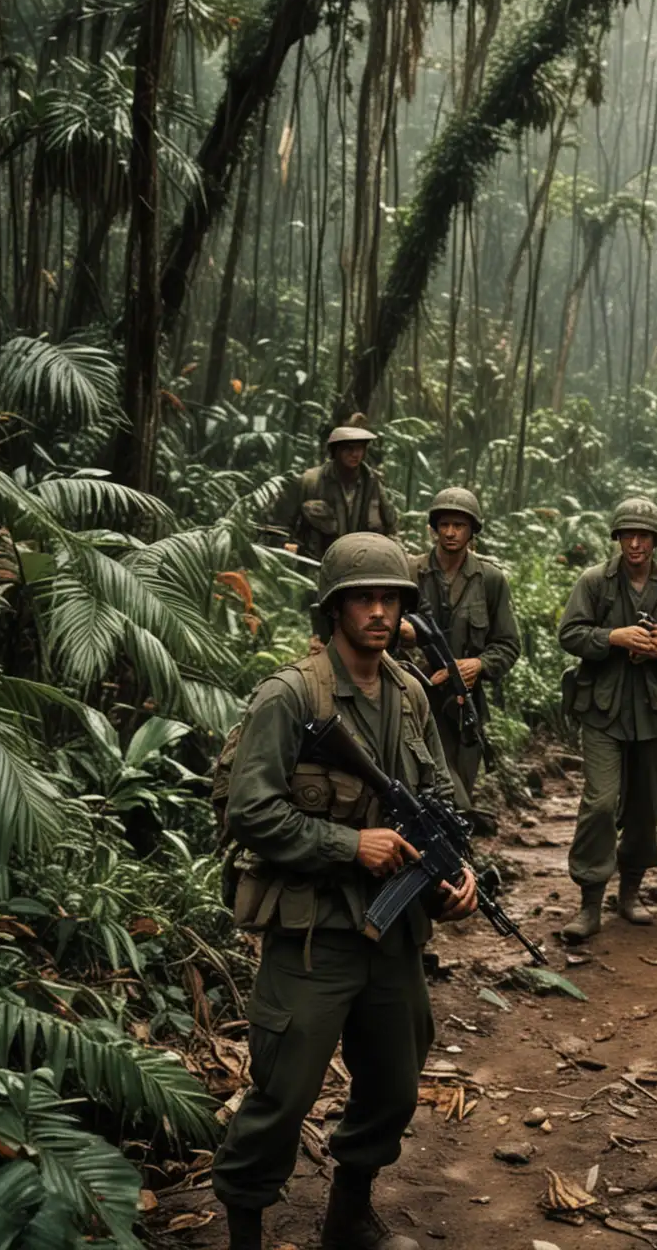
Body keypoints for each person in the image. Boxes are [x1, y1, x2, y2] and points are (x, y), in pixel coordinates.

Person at [213, 535, 477, 1250]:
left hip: (393, 935)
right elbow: (252, 809)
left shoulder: (412, 693)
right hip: (312, 929)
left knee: (393, 1085)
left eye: (390, 597)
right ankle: (244, 1230)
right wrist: (347, 844)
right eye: (363, 596)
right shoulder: (290, 695)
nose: (379, 610)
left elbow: (442, 796)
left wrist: (460, 876)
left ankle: (350, 1213)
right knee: (283, 1094)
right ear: (333, 608)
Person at [556, 498, 657, 942]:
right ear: (618, 538)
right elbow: (570, 634)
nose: (636, 543)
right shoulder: (595, 582)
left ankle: (630, 892)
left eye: (644, 535)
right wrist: (612, 637)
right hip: (603, 710)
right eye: (628, 535)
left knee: (646, 805)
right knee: (601, 803)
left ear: (656, 540)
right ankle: (589, 901)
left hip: (655, 711)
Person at [399, 487, 521, 804]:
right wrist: (403, 635)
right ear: (434, 527)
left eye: (459, 525)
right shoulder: (409, 573)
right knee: (434, 796)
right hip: (413, 700)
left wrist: (479, 665)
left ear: (472, 531)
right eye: (444, 525)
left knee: (461, 790)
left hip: (464, 705)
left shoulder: (490, 580)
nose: (451, 533)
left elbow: (508, 645)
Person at [279, 418, 399, 563]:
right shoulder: (311, 481)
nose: (355, 454)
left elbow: (390, 528)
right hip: (317, 564)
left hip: (359, 566)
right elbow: (281, 525)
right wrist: (287, 544)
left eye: (360, 448)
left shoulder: (372, 484)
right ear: (336, 451)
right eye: (349, 448)